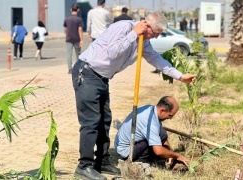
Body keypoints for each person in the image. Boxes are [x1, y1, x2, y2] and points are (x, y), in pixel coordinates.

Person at [72, 12, 196, 180]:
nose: (156, 37)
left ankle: (101, 161)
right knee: (91, 122)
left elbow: (157, 60)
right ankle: (84, 167)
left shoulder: (144, 41)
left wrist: (180, 76)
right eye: (156, 33)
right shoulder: (125, 28)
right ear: (147, 26)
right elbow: (111, 52)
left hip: (102, 79)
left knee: (105, 121)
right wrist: (133, 34)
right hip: (87, 73)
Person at [114, 96, 190, 167]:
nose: (170, 118)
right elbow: (158, 151)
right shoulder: (150, 123)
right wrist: (177, 155)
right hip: (126, 151)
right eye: (170, 115)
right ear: (162, 111)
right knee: (154, 146)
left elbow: (161, 136)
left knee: (162, 133)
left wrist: (171, 153)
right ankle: (141, 161)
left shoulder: (151, 110)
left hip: (130, 142)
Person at [63, 3, 84, 74]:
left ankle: (70, 69)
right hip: (77, 39)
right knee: (78, 54)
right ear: (78, 10)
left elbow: (65, 29)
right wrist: (81, 40)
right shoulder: (79, 19)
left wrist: (67, 34)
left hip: (68, 38)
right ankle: (78, 68)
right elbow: (80, 30)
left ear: (71, 9)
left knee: (69, 54)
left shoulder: (67, 19)